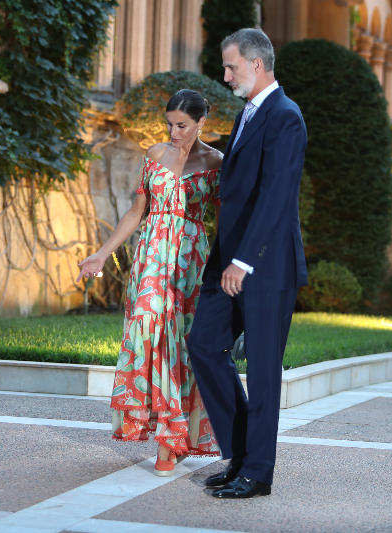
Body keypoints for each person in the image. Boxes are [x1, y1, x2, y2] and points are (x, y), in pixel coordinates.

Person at [186, 28, 308, 498]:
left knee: (261, 373)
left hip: (265, 268)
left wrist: (243, 261)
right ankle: (238, 454)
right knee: (203, 344)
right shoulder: (247, 114)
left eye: (232, 66)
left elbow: (276, 198)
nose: (226, 74)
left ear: (257, 64)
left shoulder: (286, 117)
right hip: (229, 265)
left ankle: (256, 474)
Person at [76, 89, 223, 476]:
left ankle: (170, 440)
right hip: (152, 255)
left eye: (183, 125)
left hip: (190, 263)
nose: (174, 132)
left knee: (179, 344)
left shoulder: (217, 161)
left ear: (201, 122)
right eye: (170, 124)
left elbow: (228, 221)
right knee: (146, 334)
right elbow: (136, 212)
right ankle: (160, 428)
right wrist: (102, 253)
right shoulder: (155, 154)